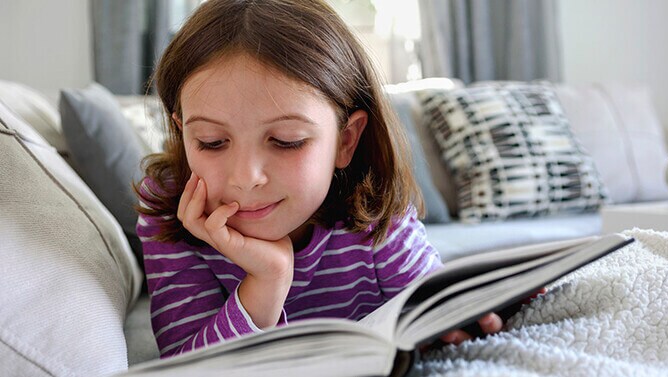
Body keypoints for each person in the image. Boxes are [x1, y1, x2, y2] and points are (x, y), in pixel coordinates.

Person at [136, 0, 506, 359]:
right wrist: (268, 280)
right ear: (182, 134)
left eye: (286, 142)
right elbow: (186, 367)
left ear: (345, 140)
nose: (246, 178)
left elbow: (435, 306)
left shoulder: (372, 209)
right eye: (211, 143)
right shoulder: (168, 213)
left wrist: (467, 317)